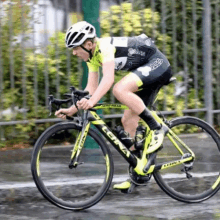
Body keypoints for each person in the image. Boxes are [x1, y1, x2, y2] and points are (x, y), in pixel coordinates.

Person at [55, 21, 173, 190]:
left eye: (75, 48)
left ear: (88, 44)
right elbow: (91, 89)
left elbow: (108, 79)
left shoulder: (104, 47)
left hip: (157, 63)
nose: (74, 53)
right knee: (127, 121)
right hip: (143, 70)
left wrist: (92, 101)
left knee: (119, 89)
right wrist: (72, 110)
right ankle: (140, 173)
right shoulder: (92, 57)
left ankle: (157, 129)